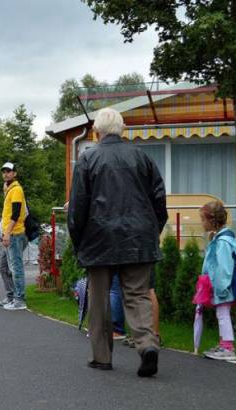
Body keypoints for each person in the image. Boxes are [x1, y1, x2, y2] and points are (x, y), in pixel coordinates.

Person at [68, 107, 167, 377]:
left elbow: (77, 208)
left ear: (97, 132)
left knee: (98, 298)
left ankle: (102, 357)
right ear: (122, 130)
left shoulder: (88, 160)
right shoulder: (142, 158)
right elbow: (159, 200)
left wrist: (78, 243)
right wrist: (152, 232)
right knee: (137, 295)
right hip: (139, 238)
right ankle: (147, 345)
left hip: (99, 239)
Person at [196, 200, 236, 361]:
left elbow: (224, 268)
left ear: (212, 220)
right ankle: (223, 344)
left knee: (223, 314)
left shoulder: (223, 242)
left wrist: (220, 288)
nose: (202, 223)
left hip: (224, 286)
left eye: (203, 220)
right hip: (223, 285)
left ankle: (228, 348)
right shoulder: (220, 239)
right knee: (222, 313)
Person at [0, 162, 28, 311]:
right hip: (10, 234)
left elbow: (16, 214)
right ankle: (11, 296)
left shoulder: (16, 190)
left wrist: (7, 233)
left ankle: (20, 299)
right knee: (4, 266)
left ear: (14, 173)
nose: (6, 174)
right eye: (4, 171)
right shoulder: (9, 190)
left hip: (15, 234)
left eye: (9, 171)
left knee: (16, 268)